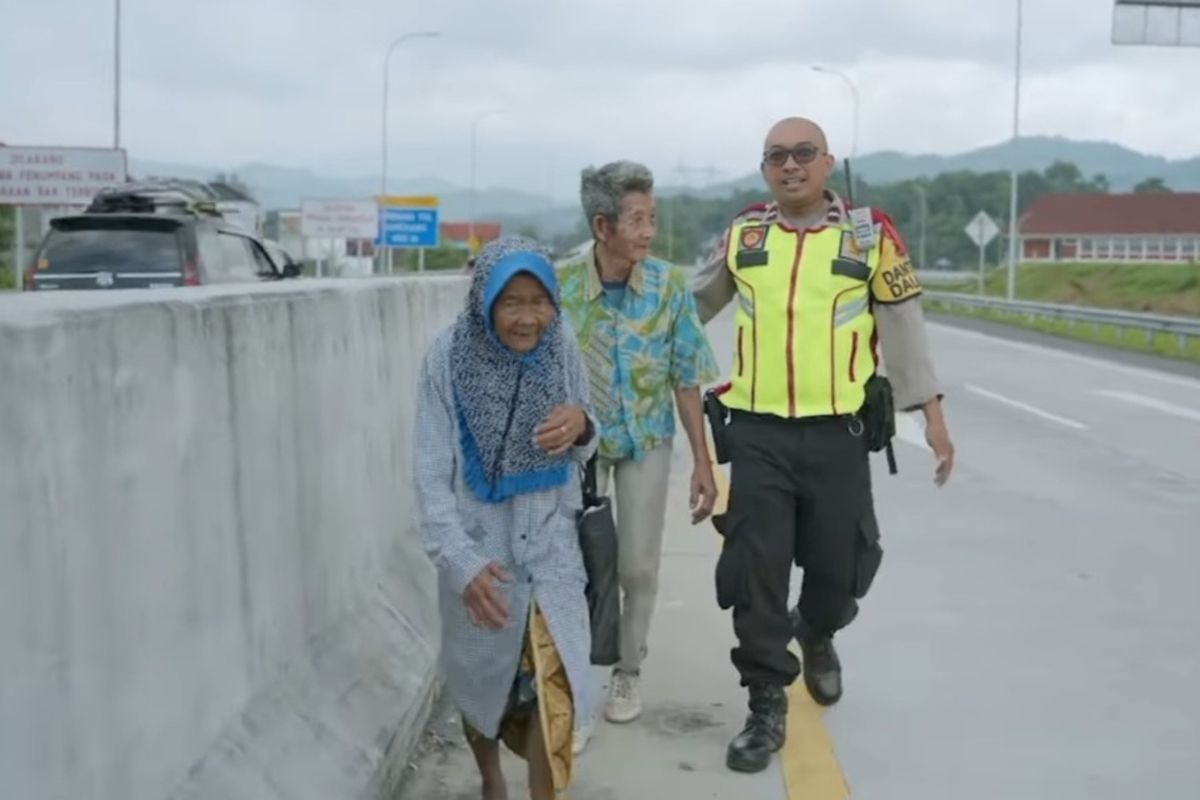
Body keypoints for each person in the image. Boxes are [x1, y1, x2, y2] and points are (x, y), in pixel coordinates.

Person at [693, 117, 956, 774]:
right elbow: (686, 308)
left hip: (838, 435)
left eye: (803, 154)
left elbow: (903, 328)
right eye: (777, 156)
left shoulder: (869, 238)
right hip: (757, 434)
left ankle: (818, 631)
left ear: (828, 163)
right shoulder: (744, 238)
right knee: (756, 573)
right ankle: (764, 703)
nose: (790, 166)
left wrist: (932, 415)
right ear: (764, 170)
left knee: (842, 568)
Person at [414, 235, 599, 800]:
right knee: (481, 686)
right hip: (482, 558)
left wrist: (581, 426)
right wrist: (459, 562)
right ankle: (491, 779)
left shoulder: (561, 342)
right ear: (485, 301)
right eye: (511, 303)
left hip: (551, 553)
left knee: (555, 690)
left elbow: (590, 433)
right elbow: (429, 471)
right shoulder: (446, 356)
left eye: (538, 301)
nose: (526, 319)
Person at [558, 160, 720, 746]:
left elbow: (686, 377)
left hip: (648, 440)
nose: (648, 231)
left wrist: (703, 461)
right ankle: (578, 685)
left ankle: (627, 670)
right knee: (577, 567)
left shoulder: (670, 288)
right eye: (636, 220)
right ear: (603, 226)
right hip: (583, 449)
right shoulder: (563, 287)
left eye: (653, 218)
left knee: (637, 567)